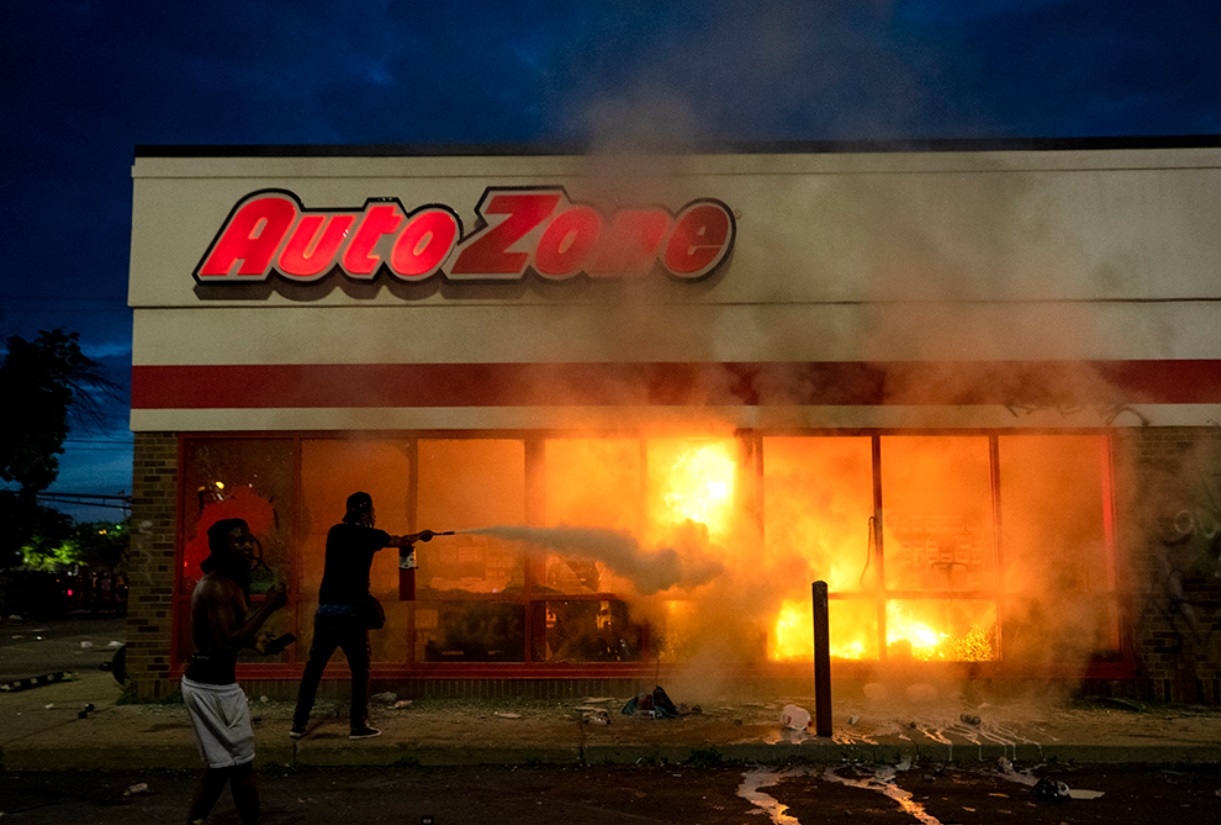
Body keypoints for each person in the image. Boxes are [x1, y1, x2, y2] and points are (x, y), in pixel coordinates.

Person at [291, 491, 436, 739]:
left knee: (314, 668)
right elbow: (401, 541)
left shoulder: (335, 532)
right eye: (372, 511)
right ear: (367, 513)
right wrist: (422, 535)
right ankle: (358, 724)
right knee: (360, 670)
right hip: (351, 615)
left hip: (326, 613)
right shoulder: (370, 536)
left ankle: (298, 723)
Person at [182, 517, 287, 825]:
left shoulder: (233, 583)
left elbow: (236, 632)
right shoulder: (214, 586)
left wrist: (262, 643)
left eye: (248, 539)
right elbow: (227, 641)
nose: (247, 546)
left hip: (217, 684)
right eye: (238, 541)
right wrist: (268, 607)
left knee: (221, 767)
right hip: (210, 687)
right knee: (241, 763)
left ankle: (195, 821)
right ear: (221, 548)